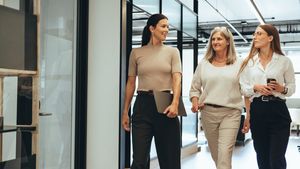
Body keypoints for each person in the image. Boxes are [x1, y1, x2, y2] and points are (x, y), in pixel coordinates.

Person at [121, 13, 182, 169]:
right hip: (142, 104)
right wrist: (125, 112)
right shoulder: (136, 53)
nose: (167, 29)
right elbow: (130, 83)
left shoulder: (173, 52)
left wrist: (175, 103)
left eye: (168, 26)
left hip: (165, 103)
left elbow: (177, 79)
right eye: (163, 26)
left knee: (170, 161)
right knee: (139, 161)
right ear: (152, 28)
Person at [239, 24, 295, 169]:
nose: (254, 37)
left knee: (276, 158)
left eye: (259, 34)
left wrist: (282, 89)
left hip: (279, 111)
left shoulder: (284, 61)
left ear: (270, 38)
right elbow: (243, 89)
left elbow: (292, 88)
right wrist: (255, 87)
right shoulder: (249, 62)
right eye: (254, 34)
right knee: (262, 157)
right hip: (258, 110)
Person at [189, 27, 243, 169]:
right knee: (216, 156)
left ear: (227, 42)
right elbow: (195, 88)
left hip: (231, 113)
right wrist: (195, 102)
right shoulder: (204, 64)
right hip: (208, 113)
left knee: (224, 154)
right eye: (213, 39)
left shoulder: (239, 63)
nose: (215, 41)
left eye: (219, 38)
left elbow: (246, 89)